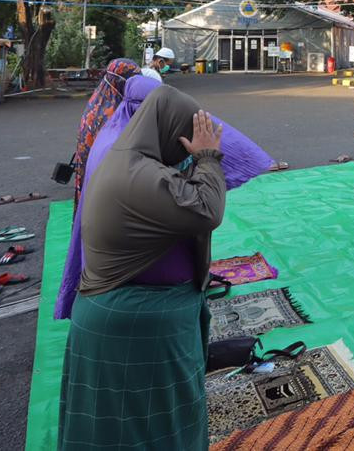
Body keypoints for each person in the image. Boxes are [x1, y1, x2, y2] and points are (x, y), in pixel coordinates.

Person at [58, 87, 225, 450]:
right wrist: (209, 157)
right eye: (185, 138)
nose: (186, 151)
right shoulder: (139, 174)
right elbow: (208, 210)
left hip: (128, 315)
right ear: (168, 131)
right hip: (133, 322)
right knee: (145, 431)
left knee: (130, 430)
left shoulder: (129, 158)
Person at [54, 75, 272, 320]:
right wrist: (208, 157)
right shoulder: (136, 169)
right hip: (133, 298)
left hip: (119, 283)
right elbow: (206, 211)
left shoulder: (121, 140)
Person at [71, 59, 140, 205]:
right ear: (118, 80)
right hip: (101, 174)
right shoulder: (110, 112)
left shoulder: (100, 99)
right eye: (132, 80)